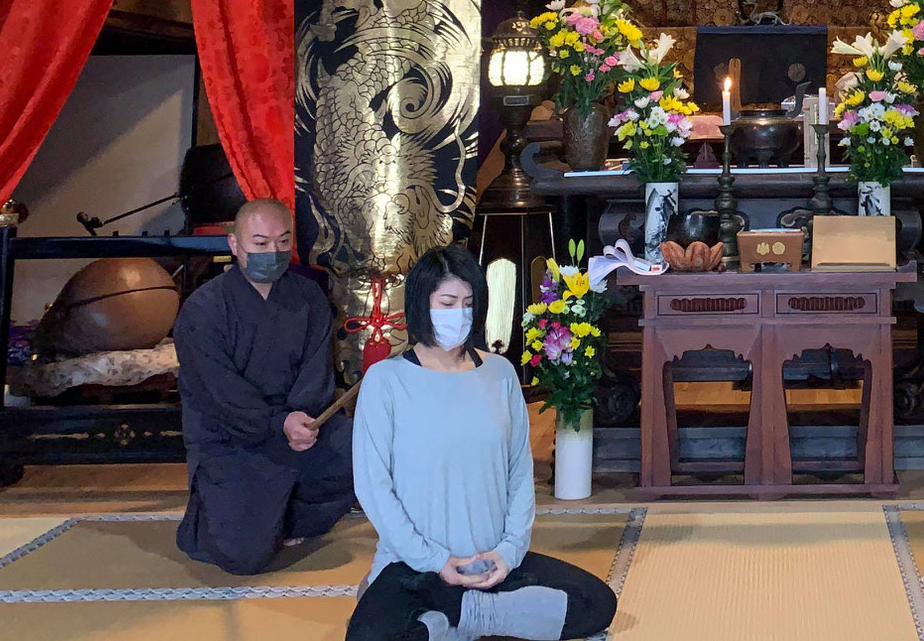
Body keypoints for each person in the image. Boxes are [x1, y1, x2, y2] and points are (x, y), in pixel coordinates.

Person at [348, 246, 618, 641]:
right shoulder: (385, 381)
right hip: (418, 568)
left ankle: (463, 618)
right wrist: (435, 560)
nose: (459, 313)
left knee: (596, 602)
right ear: (422, 305)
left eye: (468, 303)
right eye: (447, 302)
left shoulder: (500, 373)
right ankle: (473, 615)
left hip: (491, 565)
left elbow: (519, 471)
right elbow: (373, 488)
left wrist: (508, 552)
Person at [174, 198, 354, 574]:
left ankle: (287, 515)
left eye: (282, 242)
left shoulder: (308, 298)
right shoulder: (203, 309)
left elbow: (315, 372)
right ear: (234, 244)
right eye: (259, 243)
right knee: (243, 557)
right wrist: (277, 423)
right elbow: (219, 394)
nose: (272, 252)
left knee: (364, 447)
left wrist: (304, 420)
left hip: (298, 430)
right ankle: (206, 519)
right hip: (232, 441)